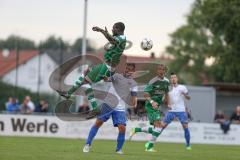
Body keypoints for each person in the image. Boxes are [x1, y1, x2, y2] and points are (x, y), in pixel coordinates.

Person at [60, 22, 126, 118]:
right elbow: (112, 43)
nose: (112, 30)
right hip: (105, 65)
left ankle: (94, 108)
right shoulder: (119, 39)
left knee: (86, 82)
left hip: (108, 67)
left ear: (119, 29)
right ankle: (68, 94)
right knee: (84, 75)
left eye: (114, 28)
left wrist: (101, 31)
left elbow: (112, 40)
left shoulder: (121, 39)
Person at [82, 63, 137, 154]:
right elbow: (108, 79)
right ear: (125, 68)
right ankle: (87, 144)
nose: (128, 70)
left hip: (120, 108)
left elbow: (134, 96)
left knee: (122, 128)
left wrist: (134, 103)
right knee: (98, 123)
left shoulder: (134, 83)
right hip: (108, 104)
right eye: (127, 68)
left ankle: (118, 149)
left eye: (130, 69)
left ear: (133, 71)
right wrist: (104, 77)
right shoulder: (117, 76)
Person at [130, 64, 170, 152]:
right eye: (159, 69)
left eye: (162, 69)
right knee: (159, 126)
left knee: (157, 128)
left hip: (157, 106)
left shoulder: (167, 81)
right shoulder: (153, 81)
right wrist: (152, 102)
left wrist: (168, 103)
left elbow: (166, 92)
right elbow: (145, 94)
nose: (160, 71)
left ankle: (136, 129)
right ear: (157, 71)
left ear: (165, 71)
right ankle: (149, 146)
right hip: (150, 105)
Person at [160, 72, 192, 150]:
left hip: (181, 111)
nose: (173, 79)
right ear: (170, 80)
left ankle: (188, 144)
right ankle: (152, 142)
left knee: (185, 127)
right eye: (172, 78)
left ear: (177, 79)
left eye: (174, 77)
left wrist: (185, 94)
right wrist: (165, 99)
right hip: (171, 111)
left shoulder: (182, 87)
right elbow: (163, 101)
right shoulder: (168, 89)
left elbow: (189, 98)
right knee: (162, 126)